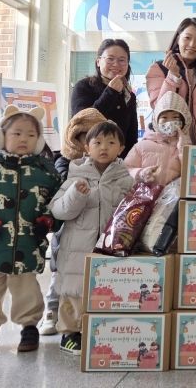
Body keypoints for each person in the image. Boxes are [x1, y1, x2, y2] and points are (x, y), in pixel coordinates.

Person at [0, 106, 60, 356]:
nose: (23, 139)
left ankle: (29, 327)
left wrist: (49, 220)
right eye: (17, 133)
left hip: (27, 246)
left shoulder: (46, 173)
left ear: (39, 140)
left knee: (27, 289)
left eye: (31, 135)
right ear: (1, 136)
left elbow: (58, 202)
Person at [49, 121, 134, 355]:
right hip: (76, 248)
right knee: (74, 292)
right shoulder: (75, 178)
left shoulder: (126, 180)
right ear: (87, 147)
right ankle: (70, 333)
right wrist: (76, 195)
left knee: (107, 290)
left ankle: (102, 330)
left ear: (121, 148)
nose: (103, 147)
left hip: (110, 247)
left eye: (111, 142)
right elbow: (59, 211)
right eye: (97, 142)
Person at [41, 107, 106, 336]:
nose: (97, 145)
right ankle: (52, 311)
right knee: (62, 271)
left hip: (98, 235)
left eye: (99, 137)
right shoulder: (66, 163)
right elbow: (59, 204)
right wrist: (76, 191)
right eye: (84, 137)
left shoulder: (114, 170)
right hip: (69, 231)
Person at [146, 17, 196, 145]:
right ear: (178, 39)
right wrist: (172, 76)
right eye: (187, 38)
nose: (192, 44)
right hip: (168, 145)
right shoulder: (159, 68)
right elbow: (159, 107)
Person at [70, 39, 138, 156]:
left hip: (119, 161)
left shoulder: (128, 95)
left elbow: (131, 136)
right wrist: (111, 92)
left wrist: (130, 162)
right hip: (87, 158)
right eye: (110, 59)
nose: (116, 64)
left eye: (122, 60)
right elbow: (82, 121)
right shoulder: (83, 86)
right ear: (98, 62)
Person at [125, 91, 191, 185]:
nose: (170, 122)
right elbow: (126, 169)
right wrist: (140, 174)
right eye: (164, 117)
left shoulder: (187, 147)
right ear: (156, 120)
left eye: (175, 117)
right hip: (145, 194)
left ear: (184, 121)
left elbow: (193, 174)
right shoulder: (141, 146)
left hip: (174, 194)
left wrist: (183, 151)